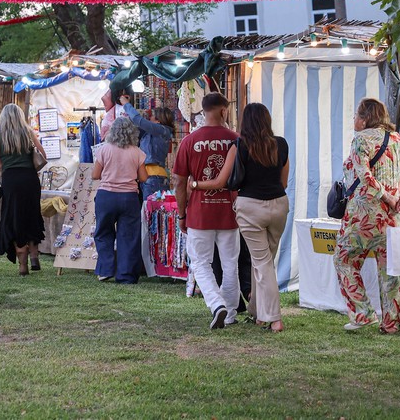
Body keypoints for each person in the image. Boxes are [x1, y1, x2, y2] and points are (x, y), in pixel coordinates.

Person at [193, 103, 290, 332]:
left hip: (250, 208)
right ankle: (258, 311)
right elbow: (284, 183)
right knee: (265, 262)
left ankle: (274, 317)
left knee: (262, 262)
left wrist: (195, 184)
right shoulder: (281, 144)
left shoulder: (240, 146)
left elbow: (221, 182)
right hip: (279, 206)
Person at [334, 97, 400, 334]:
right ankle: (391, 325)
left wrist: (390, 198)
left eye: (356, 115)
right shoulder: (398, 141)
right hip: (393, 219)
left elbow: (365, 176)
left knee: (344, 259)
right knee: (391, 269)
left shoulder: (361, 139)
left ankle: (363, 315)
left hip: (364, 216)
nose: (354, 119)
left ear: (364, 119)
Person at [172, 92, 239, 330]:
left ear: (203, 111)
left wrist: (181, 213)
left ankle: (216, 304)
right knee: (230, 263)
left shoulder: (190, 141)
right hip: (229, 212)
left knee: (200, 263)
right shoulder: (235, 139)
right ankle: (229, 312)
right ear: (223, 110)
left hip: (199, 212)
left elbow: (179, 181)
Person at [91, 117, 148, 283]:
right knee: (129, 236)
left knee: (103, 232)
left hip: (106, 196)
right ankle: (126, 275)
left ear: (112, 131)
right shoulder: (137, 152)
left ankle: (106, 269)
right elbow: (143, 177)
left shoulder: (104, 149)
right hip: (129, 197)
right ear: (132, 133)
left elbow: (95, 175)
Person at [0, 103, 45, 276]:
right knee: (32, 215)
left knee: (15, 218)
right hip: (30, 179)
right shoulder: (28, 133)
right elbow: (42, 154)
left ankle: (23, 265)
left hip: (11, 181)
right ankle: (34, 255)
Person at [122, 95, 175, 198]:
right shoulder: (151, 134)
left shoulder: (162, 130)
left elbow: (138, 120)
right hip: (149, 177)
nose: (149, 118)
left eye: (152, 116)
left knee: (151, 210)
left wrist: (126, 104)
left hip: (154, 178)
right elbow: (135, 123)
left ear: (158, 120)